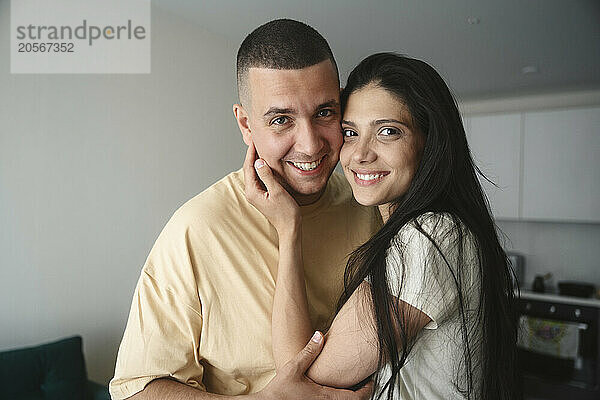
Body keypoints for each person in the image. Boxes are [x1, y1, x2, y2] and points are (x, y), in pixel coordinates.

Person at [109, 19, 380, 400]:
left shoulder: (370, 202)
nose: (310, 144)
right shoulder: (197, 228)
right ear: (246, 124)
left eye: (324, 113)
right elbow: (137, 390)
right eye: (281, 120)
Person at [245, 53, 520, 400]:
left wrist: (288, 229)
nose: (360, 154)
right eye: (350, 132)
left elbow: (301, 380)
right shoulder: (424, 231)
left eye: (388, 132)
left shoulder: (430, 237)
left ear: (429, 142)